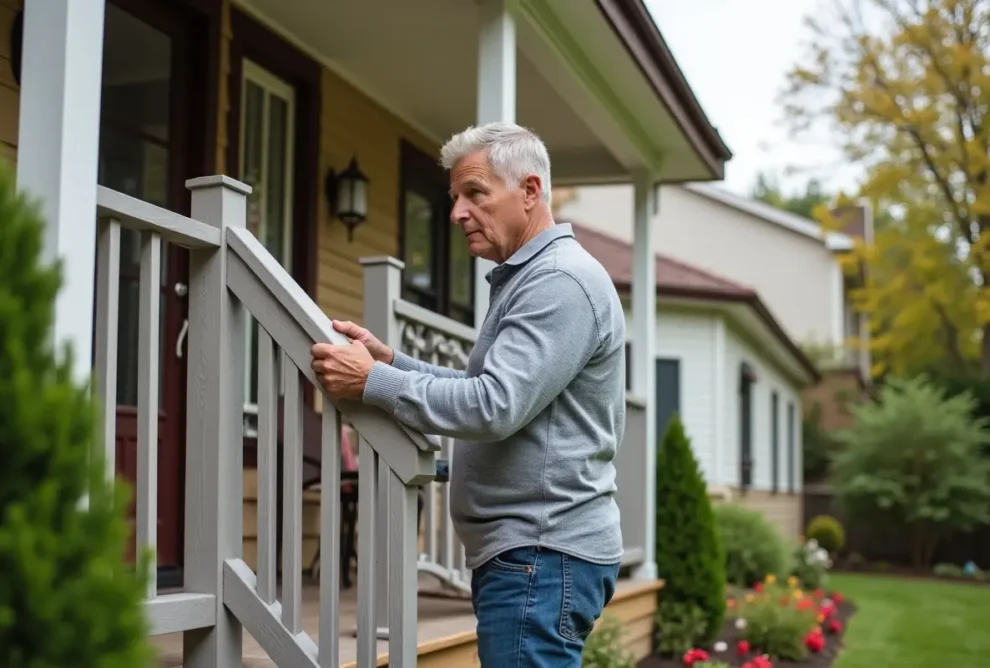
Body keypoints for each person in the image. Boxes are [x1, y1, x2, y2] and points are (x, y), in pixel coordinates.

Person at [310, 122, 625, 667]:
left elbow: (494, 406)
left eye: (475, 193)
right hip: (534, 555)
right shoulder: (534, 277)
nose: (456, 212)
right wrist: (394, 364)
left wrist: (373, 383)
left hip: (541, 553)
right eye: (455, 196)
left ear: (530, 191)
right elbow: (493, 392)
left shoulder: (559, 283)